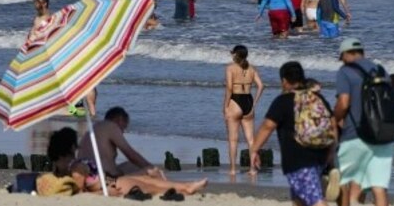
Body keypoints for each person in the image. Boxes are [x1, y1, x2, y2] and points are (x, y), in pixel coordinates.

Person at [249, 62, 341, 206]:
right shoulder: (317, 98)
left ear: (284, 81)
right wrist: (331, 152)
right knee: (299, 194)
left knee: (313, 195)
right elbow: (333, 124)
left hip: (297, 156)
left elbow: (267, 126)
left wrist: (254, 149)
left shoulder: (283, 101)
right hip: (320, 153)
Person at [333, 38, 394, 206]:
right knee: (379, 186)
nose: (342, 61)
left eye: (342, 57)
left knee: (342, 181)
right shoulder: (381, 70)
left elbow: (343, 102)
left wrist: (335, 119)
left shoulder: (345, 72)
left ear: (347, 54)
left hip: (355, 134)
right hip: (383, 134)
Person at [43, 127, 207, 197]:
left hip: (108, 181)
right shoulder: (76, 167)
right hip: (109, 185)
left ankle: (186, 186)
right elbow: (80, 193)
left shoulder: (70, 165)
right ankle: (185, 189)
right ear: (70, 146)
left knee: (147, 181)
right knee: (150, 187)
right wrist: (104, 194)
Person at [78, 107, 164, 178]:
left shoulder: (94, 128)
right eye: (124, 127)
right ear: (119, 119)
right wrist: (152, 168)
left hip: (86, 175)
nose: (122, 132)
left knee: (130, 165)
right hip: (104, 178)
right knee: (149, 172)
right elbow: (131, 155)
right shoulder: (111, 126)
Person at [222, 45, 265, 175]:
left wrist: (225, 105)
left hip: (235, 101)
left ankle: (233, 170)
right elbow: (261, 86)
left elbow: (229, 88)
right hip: (248, 101)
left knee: (233, 139)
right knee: (251, 139)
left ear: (235, 54)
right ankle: (252, 170)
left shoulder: (230, 68)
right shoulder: (252, 69)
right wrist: (255, 102)